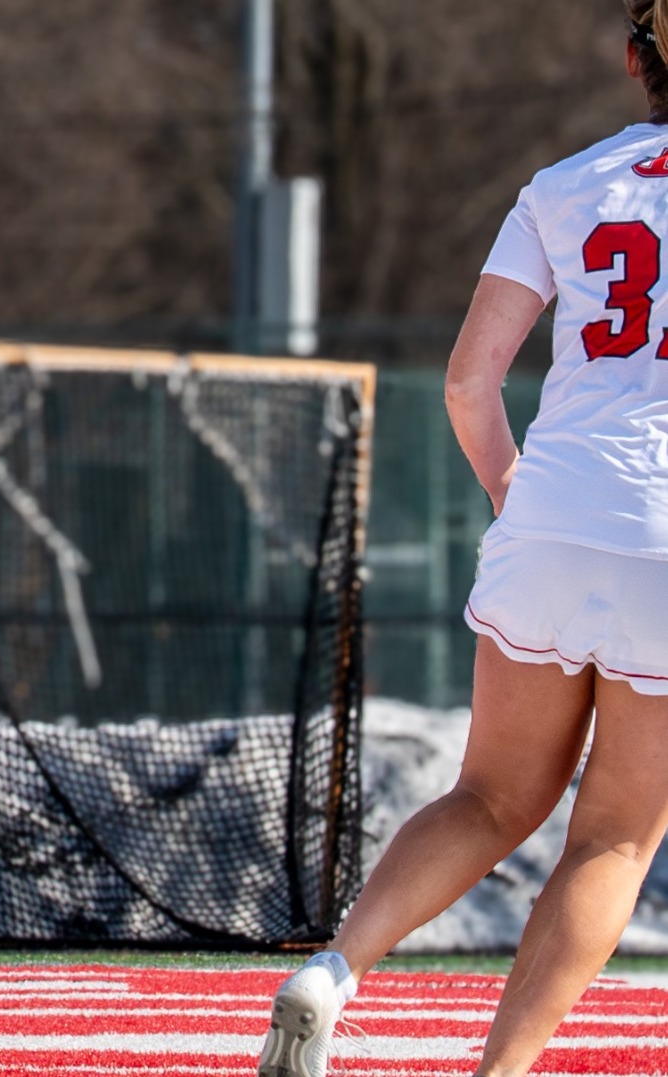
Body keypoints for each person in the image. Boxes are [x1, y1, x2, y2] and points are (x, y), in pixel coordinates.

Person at [257, 5, 668, 1075]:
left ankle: (331, 973)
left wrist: (513, 502)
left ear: (636, 60)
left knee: (488, 796)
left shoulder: (567, 184)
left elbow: (467, 380)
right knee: (612, 838)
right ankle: (499, 1072)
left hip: (554, 514)